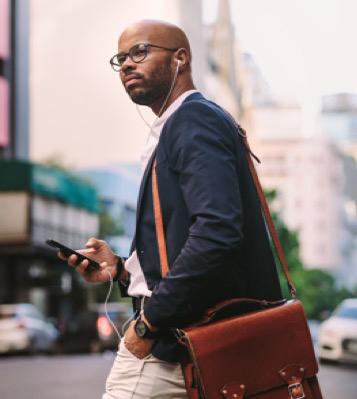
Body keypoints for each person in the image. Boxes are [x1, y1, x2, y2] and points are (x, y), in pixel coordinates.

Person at [58, 19, 283, 399]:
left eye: (140, 51)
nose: (127, 64)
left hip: (178, 338)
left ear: (181, 58)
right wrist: (122, 269)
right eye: (121, 58)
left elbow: (217, 231)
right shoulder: (179, 125)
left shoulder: (192, 120)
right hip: (193, 337)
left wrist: (148, 322)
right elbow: (185, 241)